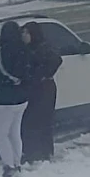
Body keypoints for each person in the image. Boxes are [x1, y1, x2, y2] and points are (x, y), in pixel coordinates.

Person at [0, 21, 32, 177]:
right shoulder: (25, 50)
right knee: (15, 132)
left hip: (4, 98)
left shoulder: (1, 52)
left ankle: (9, 165)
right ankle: (17, 162)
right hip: (21, 98)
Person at [21, 21, 62, 163]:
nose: (23, 36)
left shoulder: (42, 48)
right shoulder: (26, 49)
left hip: (44, 89)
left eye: (25, 33)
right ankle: (35, 151)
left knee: (42, 120)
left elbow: (56, 60)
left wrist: (42, 74)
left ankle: (43, 151)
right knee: (32, 120)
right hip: (34, 88)